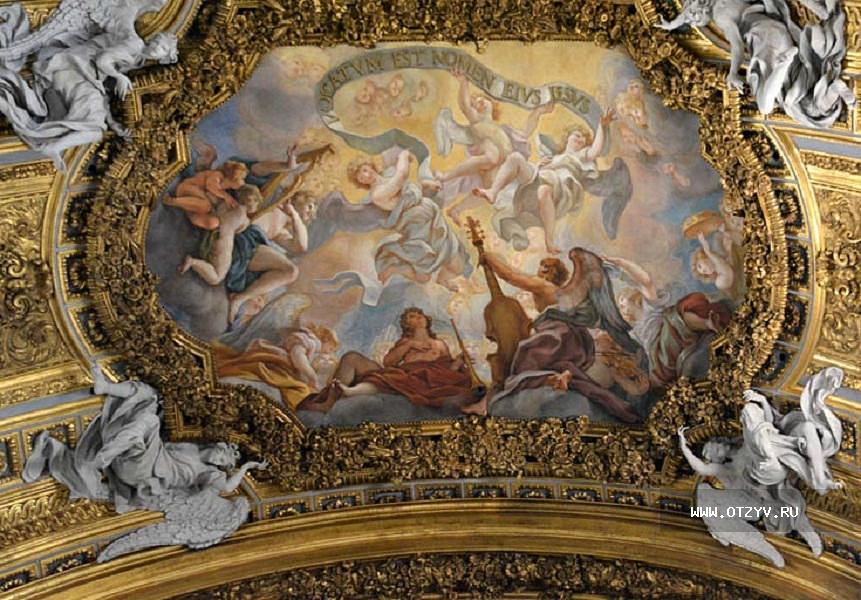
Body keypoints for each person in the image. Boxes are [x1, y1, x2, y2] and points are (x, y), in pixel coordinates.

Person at [481, 247, 644, 423]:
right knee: (540, 358)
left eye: (542, 269)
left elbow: (511, 276)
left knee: (526, 352)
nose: (538, 273)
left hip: (556, 335)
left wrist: (490, 258)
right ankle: (558, 376)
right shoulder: (563, 293)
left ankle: (550, 378)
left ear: (549, 272)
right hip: (570, 338)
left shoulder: (544, 286)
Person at [476, 108, 627, 252]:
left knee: (544, 190)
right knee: (515, 158)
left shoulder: (580, 156)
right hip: (538, 180)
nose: (580, 139)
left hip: (560, 190)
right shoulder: (554, 157)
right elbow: (538, 173)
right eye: (577, 135)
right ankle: (493, 192)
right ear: (567, 138)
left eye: (584, 138)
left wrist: (602, 126)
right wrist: (539, 165)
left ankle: (549, 240)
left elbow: (595, 150)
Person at [298, 307, 473, 413]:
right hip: (401, 373)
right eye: (411, 316)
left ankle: (350, 392)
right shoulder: (404, 342)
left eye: (419, 314)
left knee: (393, 378)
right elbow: (389, 363)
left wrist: (459, 361)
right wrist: (410, 345)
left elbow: (447, 371)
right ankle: (330, 399)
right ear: (406, 324)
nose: (417, 316)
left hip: (420, 379)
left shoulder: (439, 343)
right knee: (351, 358)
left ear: (427, 320)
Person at [347, 150, 470, 291]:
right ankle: (396, 269)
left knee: (457, 264)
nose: (366, 176)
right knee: (423, 274)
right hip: (416, 228)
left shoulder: (389, 175)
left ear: (370, 166)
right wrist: (403, 156)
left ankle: (443, 279)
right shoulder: (377, 194)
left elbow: (409, 187)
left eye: (364, 170)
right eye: (360, 177)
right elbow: (401, 177)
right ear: (360, 183)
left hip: (433, 219)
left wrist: (427, 184)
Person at [178, 185, 300, 323]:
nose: (257, 205)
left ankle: (239, 298)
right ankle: (195, 263)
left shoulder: (229, 205)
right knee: (216, 277)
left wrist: (294, 215)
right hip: (234, 245)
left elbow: (300, 246)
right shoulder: (244, 214)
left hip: (242, 242)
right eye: (255, 202)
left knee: (291, 271)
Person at [214, 324, 339, 410]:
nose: (329, 352)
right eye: (331, 349)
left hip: (283, 361)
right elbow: (298, 357)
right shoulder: (311, 341)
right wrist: (312, 376)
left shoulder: (312, 343)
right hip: (279, 359)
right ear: (326, 340)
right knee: (298, 389)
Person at [164, 161, 248, 230]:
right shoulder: (218, 175)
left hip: (196, 202)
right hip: (188, 188)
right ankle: (171, 201)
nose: (242, 182)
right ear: (234, 177)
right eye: (241, 178)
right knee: (206, 206)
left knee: (214, 223)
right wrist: (226, 196)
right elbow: (210, 186)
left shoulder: (225, 187)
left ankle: (191, 213)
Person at [482, 251, 569, 312]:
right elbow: (517, 273)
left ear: (546, 270)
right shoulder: (550, 287)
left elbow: (509, 276)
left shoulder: (543, 285)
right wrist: (497, 260)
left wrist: (489, 258)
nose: (539, 268)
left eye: (543, 265)